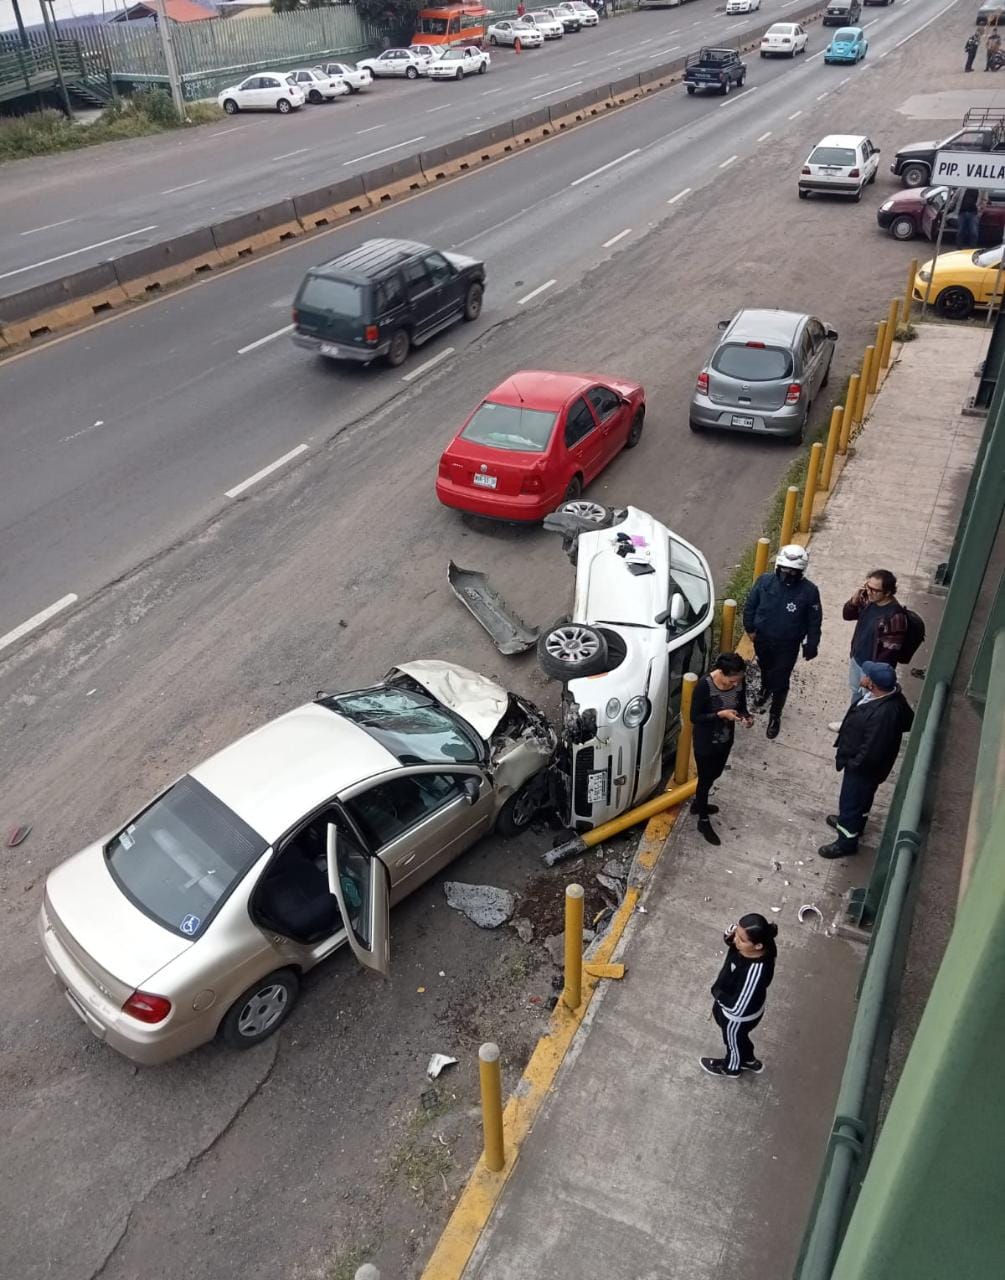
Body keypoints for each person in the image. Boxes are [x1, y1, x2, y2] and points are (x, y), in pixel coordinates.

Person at [818, 662, 915, 859]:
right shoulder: (890, 698)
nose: (863, 675)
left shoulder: (883, 715)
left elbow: (871, 750)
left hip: (863, 770)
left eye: (866, 675)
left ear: (872, 684)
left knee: (851, 802)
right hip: (869, 768)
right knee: (861, 802)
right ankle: (855, 825)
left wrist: (853, 764)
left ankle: (846, 842)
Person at [743, 545, 822, 740]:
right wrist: (750, 629)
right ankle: (764, 688)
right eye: (785, 570)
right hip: (763, 639)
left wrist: (812, 644)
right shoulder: (765, 582)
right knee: (765, 667)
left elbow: (814, 621)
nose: (788, 575)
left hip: (788, 644)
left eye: (793, 572)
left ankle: (775, 715)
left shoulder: (809, 591)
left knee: (781, 679)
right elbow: (751, 606)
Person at [700, 913, 778, 1078]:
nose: (735, 940)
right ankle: (749, 1059)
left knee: (732, 1042)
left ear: (758, 946)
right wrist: (733, 933)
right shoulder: (757, 946)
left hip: (738, 1018)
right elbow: (730, 937)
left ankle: (732, 1067)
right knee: (740, 1038)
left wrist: (717, 993)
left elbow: (737, 1008)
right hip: (736, 1010)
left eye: (741, 940)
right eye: (737, 933)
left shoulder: (755, 972)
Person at [829, 568, 907, 730]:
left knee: (869, 701)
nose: (869, 592)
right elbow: (847, 615)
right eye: (867, 587)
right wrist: (854, 600)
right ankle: (849, 724)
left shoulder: (895, 616)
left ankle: (859, 730)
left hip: (873, 667)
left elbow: (890, 651)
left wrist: (871, 676)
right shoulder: (868, 601)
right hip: (858, 659)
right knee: (856, 694)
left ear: (887, 592)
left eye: (874, 590)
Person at [689, 652, 753, 846]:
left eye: (738, 681)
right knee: (705, 778)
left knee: (715, 774)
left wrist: (746, 716)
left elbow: (741, 705)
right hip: (705, 742)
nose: (735, 685)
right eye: (731, 681)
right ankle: (703, 819)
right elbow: (695, 717)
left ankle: (699, 803)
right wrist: (720, 714)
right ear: (722, 673)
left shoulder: (739, 682)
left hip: (725, 739)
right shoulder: (704, 686)